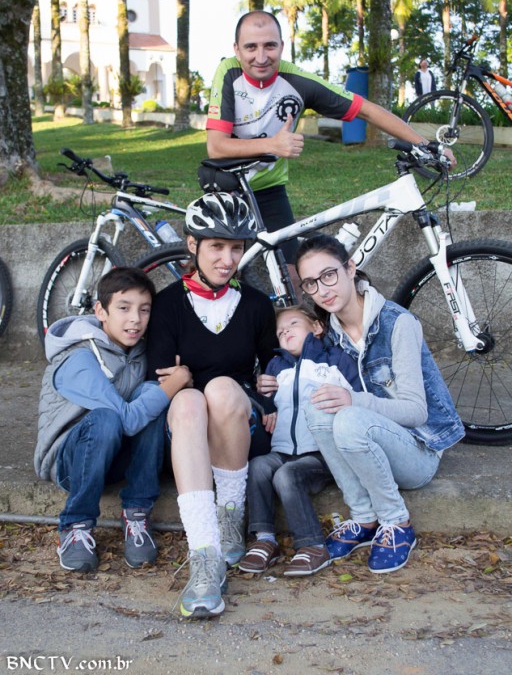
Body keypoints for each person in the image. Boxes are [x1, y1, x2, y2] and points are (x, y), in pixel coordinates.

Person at [259, 233, 465, 574]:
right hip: (363, 449)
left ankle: (396, 522)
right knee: (317, 405)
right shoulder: (329, 333)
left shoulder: (398, 323)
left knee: (349, 417)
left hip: (416, 451)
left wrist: (353, 400)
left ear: (350, 268)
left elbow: (416, 412)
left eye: (329, 275)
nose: (323, 290)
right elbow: (298, 373)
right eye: (311, 283)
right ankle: (364, 518)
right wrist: (268, 384)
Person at [206, 10, 452, 283]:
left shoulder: (297, 81)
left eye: (270, 46)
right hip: (227, 187)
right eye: (251, 47)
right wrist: (273, 144)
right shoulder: (228, 72)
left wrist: (426, 145)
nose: (261, 57)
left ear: (282, 47)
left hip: (269, 190)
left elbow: (366, 110)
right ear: (237, 49)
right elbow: (216, 146)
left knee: (293, 281)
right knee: (216, 276)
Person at [145, 192, 277, 619]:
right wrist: (184, 383)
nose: (227, 259)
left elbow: (274, 361)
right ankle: (205, 555)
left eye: (236, 248)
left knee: (220, 388)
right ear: (192, 244)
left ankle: (229, 515)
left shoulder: (256, 304)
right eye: (217, 246)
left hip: (241, 426)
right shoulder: (167, 304)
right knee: (187, 401)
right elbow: (162, 378)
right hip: (186, 436)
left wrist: (270, 383)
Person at [34, 267, 192, 573]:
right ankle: (75, 526)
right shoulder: (78, 358)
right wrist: (176, 382)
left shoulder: (140, 350)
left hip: (114, 456)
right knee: (109, 417)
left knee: (150, 393)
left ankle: (137, 514)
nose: (135, 319)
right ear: (100, 311)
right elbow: (127, 420)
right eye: (124, 308)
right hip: (69, 463)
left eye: (144, 310)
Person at [239, 305, 362, 577]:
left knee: (287, 475)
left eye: (293, 324)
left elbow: (358, 396)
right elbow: (268, 407)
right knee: (258, 466)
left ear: (317, 327)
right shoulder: (276, 367)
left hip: (322, 453)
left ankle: (312, 545)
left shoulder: (335, 360)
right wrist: (263, 396)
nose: (285, 332)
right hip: (283, 449)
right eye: (280, 332)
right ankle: (264, 539)